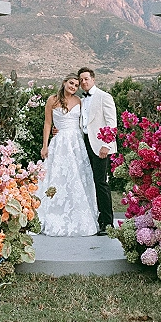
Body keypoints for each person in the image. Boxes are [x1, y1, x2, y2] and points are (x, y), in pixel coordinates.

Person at [37, 74, 99, 237]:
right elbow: (47, 123)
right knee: (57, 177)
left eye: (76, 85)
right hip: (59, 142)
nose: (73, 87)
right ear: (64, 82)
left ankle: (80, 215)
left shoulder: (79, 101)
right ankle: (54, 213)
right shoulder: (52, 100)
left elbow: (83, 123)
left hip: (76, 144)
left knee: (77, 177)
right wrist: (45, 145)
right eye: (71, 83)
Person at [78, 67, 117, 234]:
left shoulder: (104, 97)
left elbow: (111, 123)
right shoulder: (81, 100)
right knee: (88, 182)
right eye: (81, 80)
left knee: (101, 182)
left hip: (100, 145)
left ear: (93, 79)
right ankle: (95, 219)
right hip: (83, 143)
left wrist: (106, 145)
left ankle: (107, 223)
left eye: (86, 79)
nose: (83, 82)